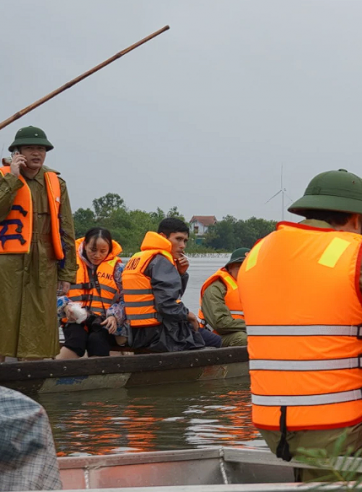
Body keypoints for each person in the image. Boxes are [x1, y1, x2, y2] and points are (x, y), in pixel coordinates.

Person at [239, 169, 362, 465]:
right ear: (354, 218)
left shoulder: (257, 253)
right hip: (342, 425)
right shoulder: (357, 256)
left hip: (271, 427)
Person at [0, 126, 77, 361]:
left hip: (44, 261)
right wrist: (13, 178)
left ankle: (31, 377)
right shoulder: (4, 177)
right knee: (4, 317)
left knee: (39, 324)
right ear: (17, 152)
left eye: (41, 149)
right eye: (31, 148)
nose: (37, 153)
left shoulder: (56, 183)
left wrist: (67, 273)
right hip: (7, 263)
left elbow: (66, 231)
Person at [121, 217, 220, 352]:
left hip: (139, 334)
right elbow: (166, 304)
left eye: (185, 241)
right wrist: (189, 315)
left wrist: (180, 274)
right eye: (178, 239)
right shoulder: (161, 261)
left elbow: (168, 296)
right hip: (161, 334)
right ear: (162, 237)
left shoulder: (139, 258)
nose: (182, 245)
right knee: (218, 342)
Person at [57, 227, 124, 359]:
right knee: (76, 339)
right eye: (93, 250)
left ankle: (98, 378)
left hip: (103, 321)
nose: (97, 255)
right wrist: (65, 306)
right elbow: (53, 293)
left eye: (103, 251)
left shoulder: (117, 268)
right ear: (85, 245)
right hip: (74, 319)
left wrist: (114, 316)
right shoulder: (68, 265)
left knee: (98, 341)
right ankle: (53, 374)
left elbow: (124, 299)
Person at [199, 247, 249, 347]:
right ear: (230, 268)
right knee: (243, 339)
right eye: (240, 266)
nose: (244, 270)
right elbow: (220, 324)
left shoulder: (257, 288)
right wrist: (254, 327)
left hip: (246, 330)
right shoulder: (215, 289)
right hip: (214, 336)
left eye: (248, 266)